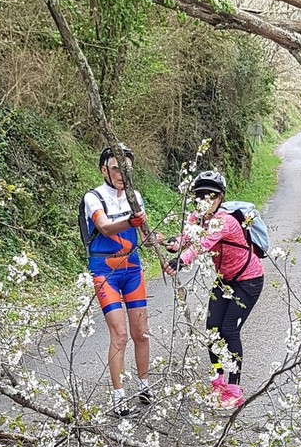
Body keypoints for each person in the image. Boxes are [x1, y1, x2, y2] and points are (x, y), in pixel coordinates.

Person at [164, 170, 264, 409]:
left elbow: (202, 243)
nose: (205, 200)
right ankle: (218, 381)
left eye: (211, 195)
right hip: (224, 279)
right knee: (211, 330)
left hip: (249, 279)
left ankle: (234, 388)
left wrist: (181, 260)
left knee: (229, 330)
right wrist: (171, 244)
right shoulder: (196, 219)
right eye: (200, 195)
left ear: (220, 198)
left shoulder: (224, 221)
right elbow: (187, 238)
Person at [83, 144, 159, 417]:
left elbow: (146, 239)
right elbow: (104, 227)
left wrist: (164, 242)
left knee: (141, 333)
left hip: (132, 269)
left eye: (126, 169)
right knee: (120, 334)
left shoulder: (134, 196)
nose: (121, 174)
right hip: (105, 272)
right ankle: (118, 395)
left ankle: (144, 385)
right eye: (116, 168)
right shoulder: (93, 197)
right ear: (104, 170)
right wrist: (130, 222)